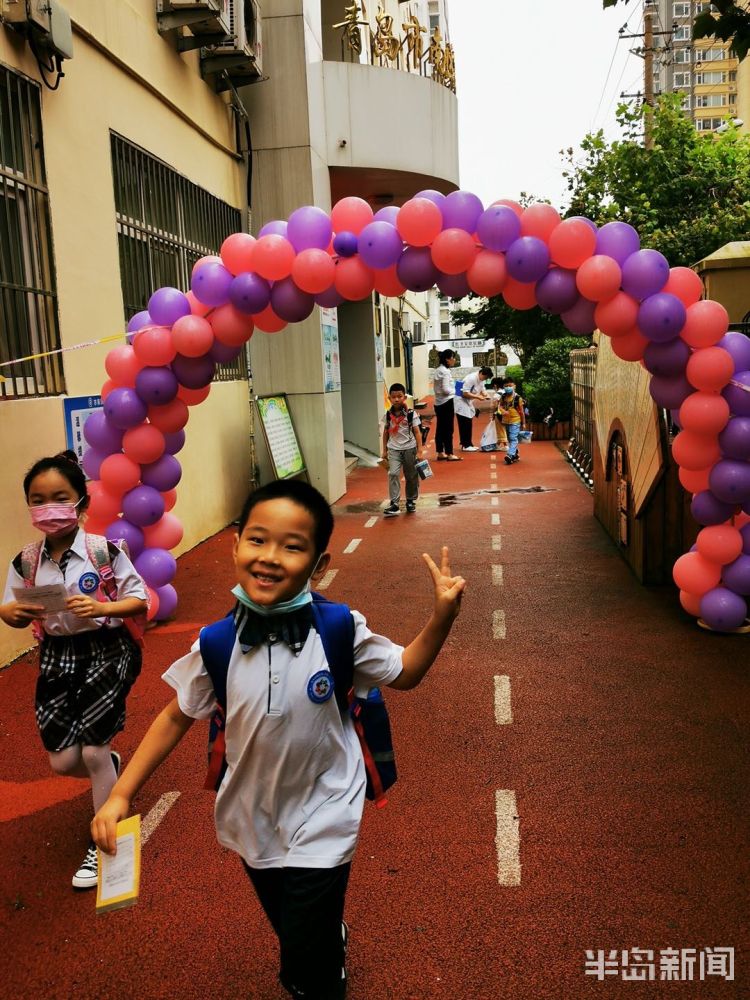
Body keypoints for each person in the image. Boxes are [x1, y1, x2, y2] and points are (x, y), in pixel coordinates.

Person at [92, 479, 465, 1000]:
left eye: (292, 546)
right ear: (236, 545)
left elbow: (404, 672)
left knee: (304, 960)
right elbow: (176, 716)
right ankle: (324, 941)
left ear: (318, 562)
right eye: (258, 539)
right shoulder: (216, 643)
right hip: (252, 812)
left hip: (327, 806)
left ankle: (318, 977)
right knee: (291, 922)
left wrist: (441, 619)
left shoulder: (339, 629)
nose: (270, 557)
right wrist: (120, 793)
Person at [0, 451, 147, 890]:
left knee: (94, 751)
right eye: (38, 499)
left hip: (107, 650)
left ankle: (106, 844)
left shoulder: (104, 552)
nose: (49, 508)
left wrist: (103, 608)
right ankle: (110, 769)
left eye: (60, 497)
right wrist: (13, 614)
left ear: (82, 501)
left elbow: (138, 599)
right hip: (57, 657)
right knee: (64, 760)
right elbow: (9, 609)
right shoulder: (26, 562)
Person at [381, 382, 424, 517]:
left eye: (399, 396)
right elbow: (385, 433)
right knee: (393, 473)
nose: (397, 399)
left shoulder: (411, 414)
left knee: (411, 475)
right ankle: (394, 503)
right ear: (389, 398)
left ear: (404, 397)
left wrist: (420, 450)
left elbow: (417, 432)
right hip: (393, 449)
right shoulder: (388, 415)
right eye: (393, 397)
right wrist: (384, 450)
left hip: (409, 448)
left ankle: (410, 500)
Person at [431, 348, 461, 462]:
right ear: (447, 359)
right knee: (448, 429)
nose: (454, 360)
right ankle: (449, 453)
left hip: (438, 403)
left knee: (440, 428)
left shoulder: (438, 370)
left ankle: (440, 452)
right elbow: (446, 390)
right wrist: (457, 391)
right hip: (446, 402)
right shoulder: (445, 372)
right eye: (453, 357)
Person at [454, 366, 492, 451]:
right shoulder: (471, 378)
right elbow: (464, 393)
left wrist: (486, 395)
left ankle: (469, 444)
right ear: (481, 373)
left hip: (468, 401)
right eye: (485, 377)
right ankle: (465, 445)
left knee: (469, 421)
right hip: (461, 401)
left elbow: (482, 389)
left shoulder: (481, 379)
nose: (485, 379)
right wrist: (477, 397)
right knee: (464, 422)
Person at [498, 379, 527, 465]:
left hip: (515, 421)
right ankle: (515, 453)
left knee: (513, 438)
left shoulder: (518, 398)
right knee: (510, 438)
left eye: (510, 386)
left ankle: (510, 455)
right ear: (503, 387)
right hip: (506, 421)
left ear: (514, 386)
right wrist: (503, 411)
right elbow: (500, 406)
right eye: (506, 386)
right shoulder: (503, 396)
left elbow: (522, 412)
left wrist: (523, 423)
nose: (508, 387)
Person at [489, 378, 509, 451]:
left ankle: (505, 445)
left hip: (499, 414)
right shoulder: (505, 392)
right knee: (503, 429)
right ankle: (497, 444)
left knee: (500, 429)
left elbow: (494, 406)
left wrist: (492, 415)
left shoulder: (497, 395)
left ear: (495, 385)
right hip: (507, 413)